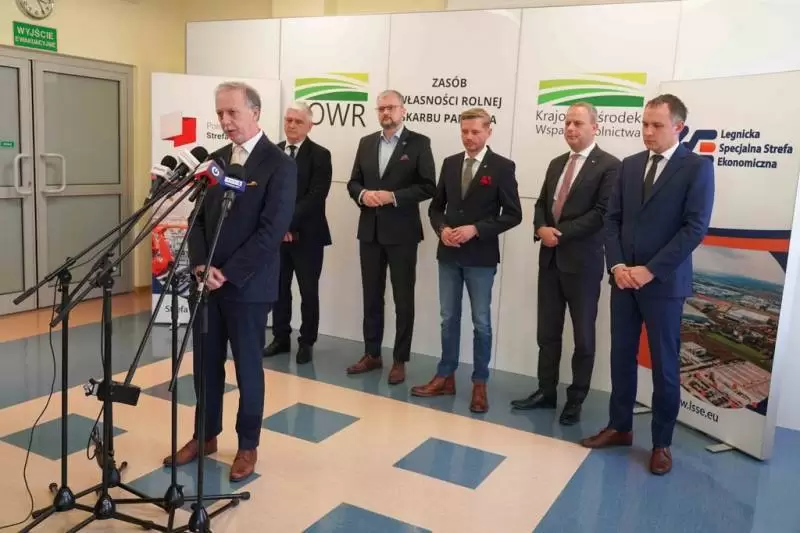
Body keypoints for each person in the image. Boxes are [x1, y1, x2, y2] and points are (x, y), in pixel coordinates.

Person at [165, 81, 296, 482]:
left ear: (255, 113)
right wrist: (201, 264)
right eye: (220, 113)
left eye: (232, 113)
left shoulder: (279, 164)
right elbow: (197, 220)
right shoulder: (216, 161)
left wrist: (229, 272)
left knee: (247, 369)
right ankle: (204, 435)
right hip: (206, 285)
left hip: (247, 286)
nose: (225, 121)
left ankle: (247, 446)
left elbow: (271, 231)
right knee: (205, 365)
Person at [581, 94, 714, 475]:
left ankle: (661, 443)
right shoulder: (630, 165)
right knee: (621, 357)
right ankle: (620, 427)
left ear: (679, 127)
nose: (648, 131)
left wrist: (650, 270)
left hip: (664, 285)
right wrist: (619, 265)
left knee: (664, 365)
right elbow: (612, 220)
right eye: (644, 124)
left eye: (657, 125)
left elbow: (694, 228)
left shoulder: (697, 168)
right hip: (624, 281)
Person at [511, 102, 620, 425]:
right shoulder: (557, 162)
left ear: (595, 127)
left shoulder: (610, 166)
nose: (570, 128)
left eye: (578, 123)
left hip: (582, 264)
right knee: (547, 333)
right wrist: (540, 228)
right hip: (550, 262)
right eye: (567, 122)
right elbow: (542, 203)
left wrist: (559, 233)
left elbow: (602, 213)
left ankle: (576, 399)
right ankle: (546, 392)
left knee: (583, 338)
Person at [410, 107, 522, 413]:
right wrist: (442, 229)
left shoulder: (502, 167)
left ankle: (479, 382)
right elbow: (435, 208)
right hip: (448, 255)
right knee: (448, 318)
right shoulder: (450, 163)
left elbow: (514, 214)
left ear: (488, 132)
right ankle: (445, 376)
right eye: (464, 131)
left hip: (480, 257)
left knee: (481, 322)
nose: (469, 137)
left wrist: (477, 229)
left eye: (475, 131)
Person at [345, 89, 436, 385]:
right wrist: (363, 194)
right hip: (369, 232)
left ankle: (400, 359)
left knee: (402, 299)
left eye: (391, 107)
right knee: (371, 296)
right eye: (381, 108)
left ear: (403, 110)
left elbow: (428, 186)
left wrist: (393, 197)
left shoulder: (419, 143)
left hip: (402, 234)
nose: (386, 112)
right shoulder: (366, 142)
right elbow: (353, 182)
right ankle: (372, 353)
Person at [263, 102, 333, 364]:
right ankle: (281, 337)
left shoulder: (320, 155)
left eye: (298, 121)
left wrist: (287, 225)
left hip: (308, 237)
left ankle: (307, 342)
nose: (291, 125)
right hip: (277, 238)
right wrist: (279, 227)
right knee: (279, 289)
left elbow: (316, 196)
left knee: (308, 292)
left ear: (309, 126)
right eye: (288, 120)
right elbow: (266, 194)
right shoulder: (273, 152)